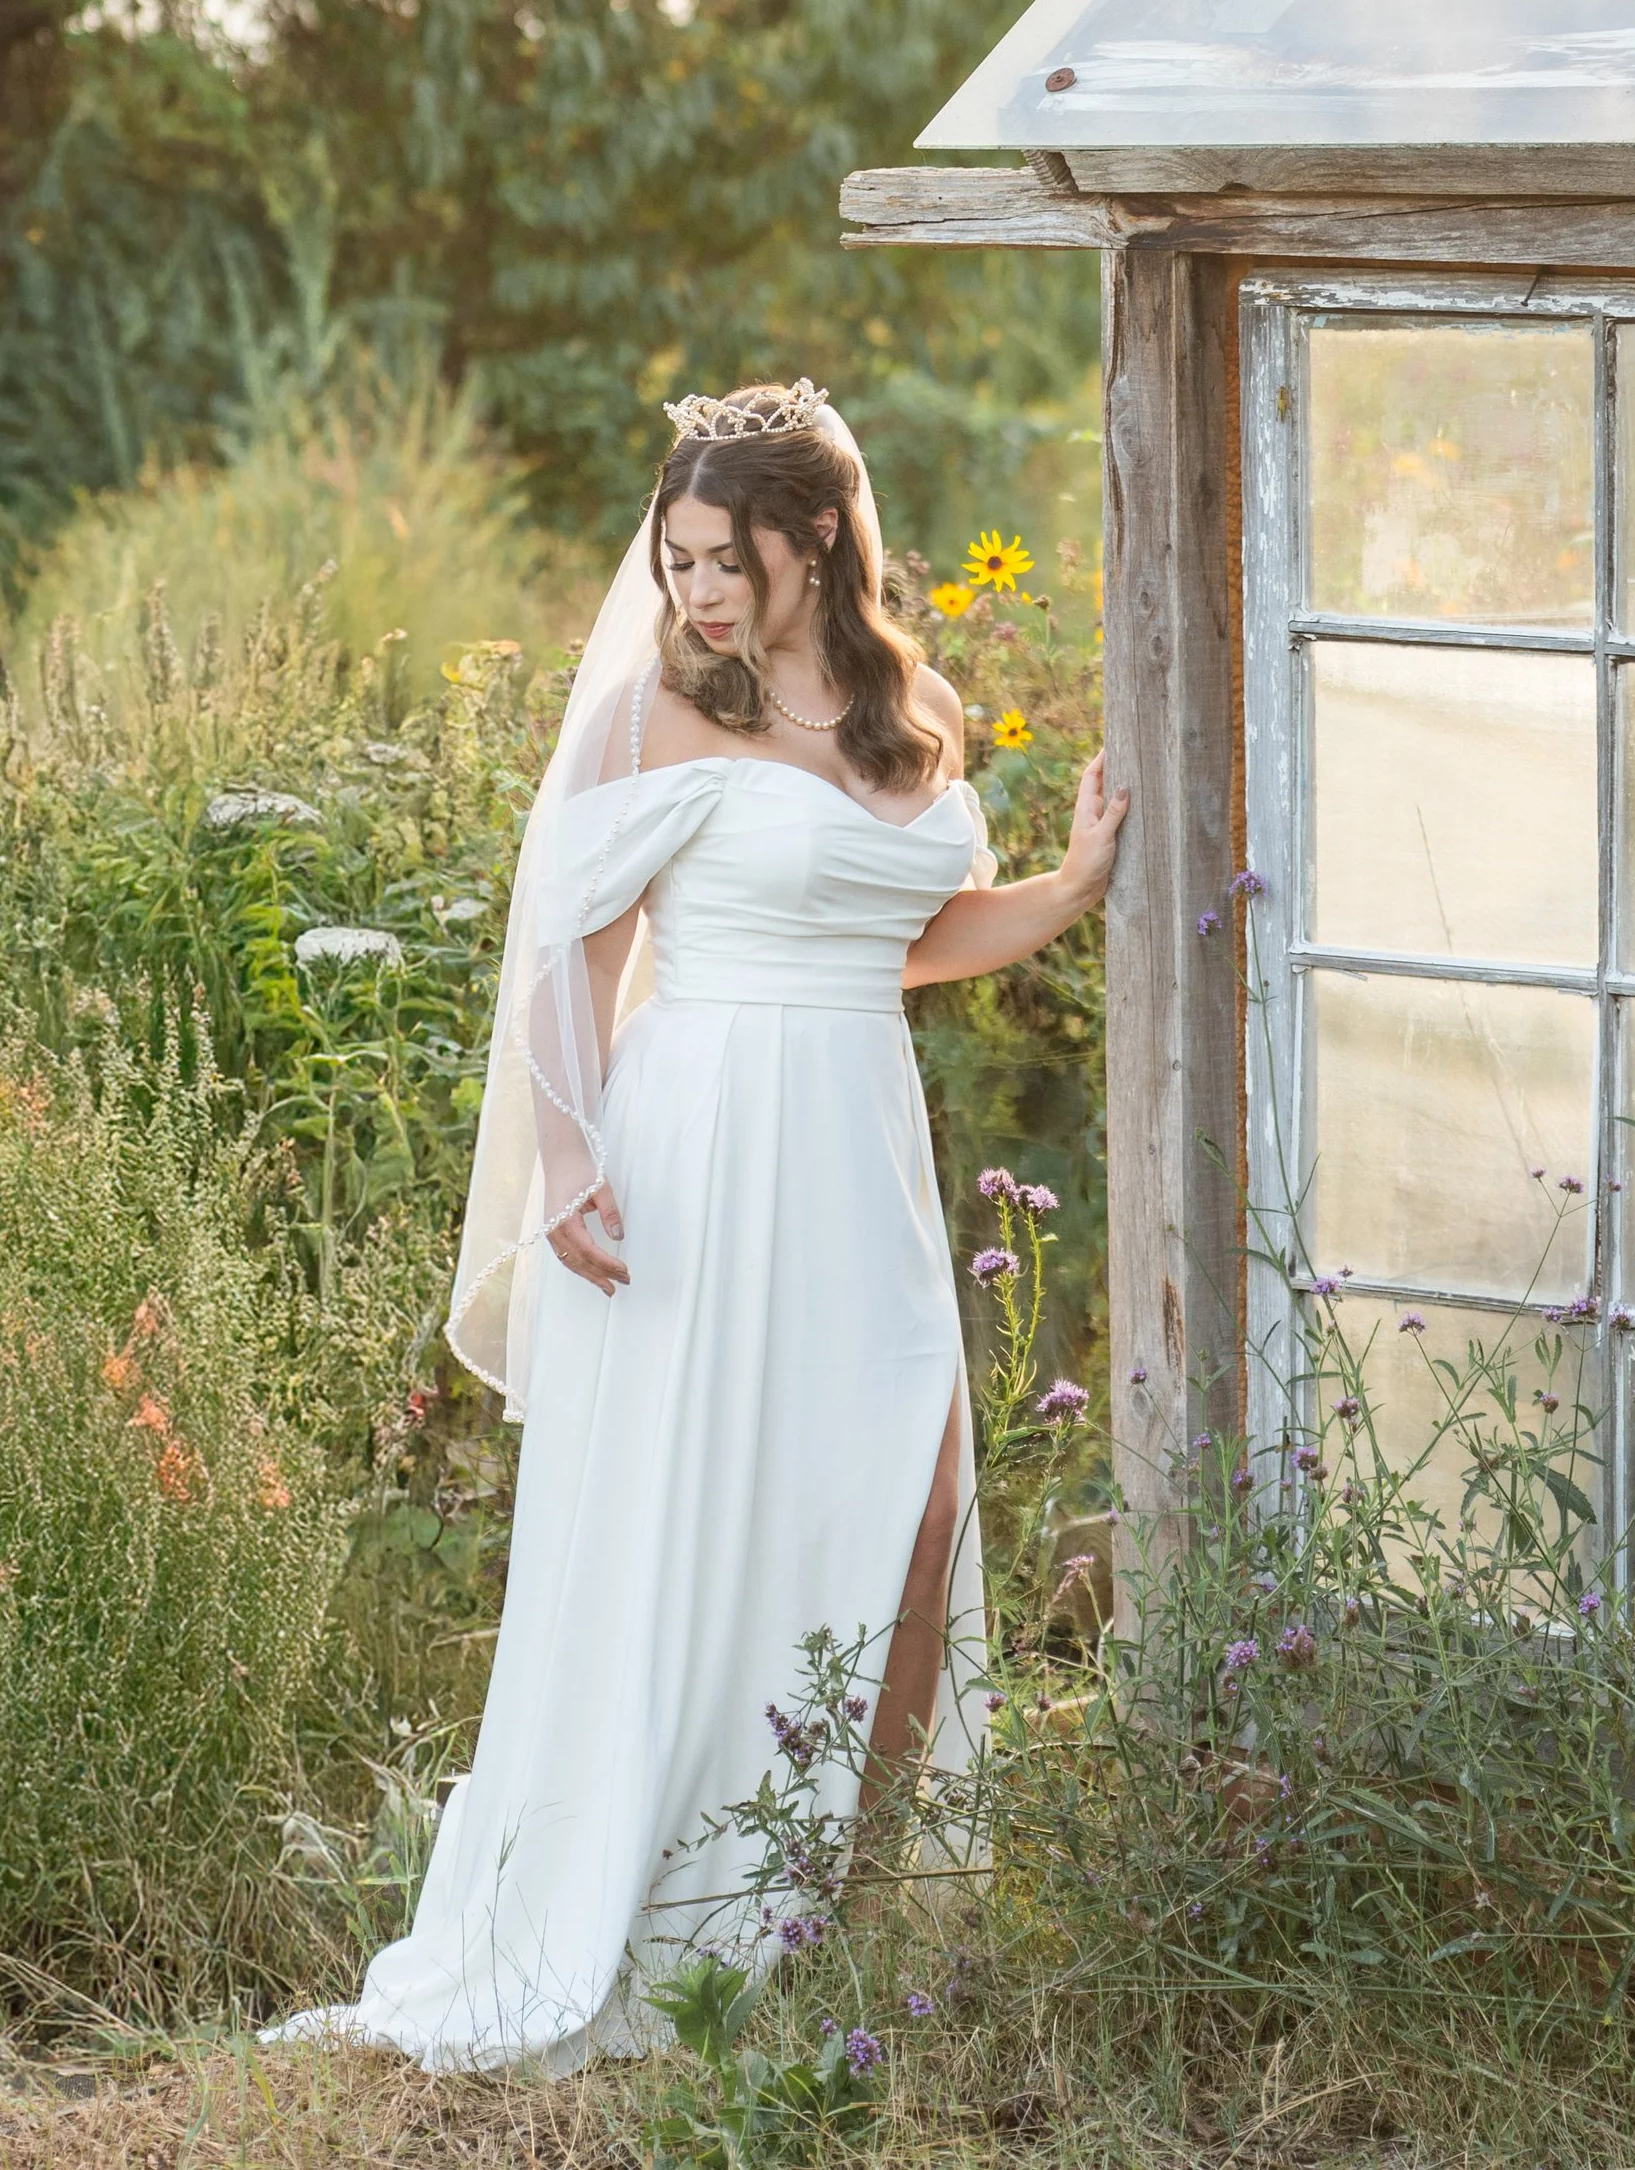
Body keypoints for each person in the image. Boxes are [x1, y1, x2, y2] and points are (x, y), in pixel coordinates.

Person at [263, 379, 1126, 2072]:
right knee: (689, 1527)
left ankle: (842, 1907)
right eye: (678, 560)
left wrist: (1076, 886)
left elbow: (912, 936)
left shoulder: (914, 713)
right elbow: (560, 950)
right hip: (695, 1145)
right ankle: (675, 1912)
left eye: (728, 559)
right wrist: (568, 1157)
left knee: (919, 1501)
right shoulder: (659, 710)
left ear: (819, 541)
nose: (700, 594)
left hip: (855, 1143)